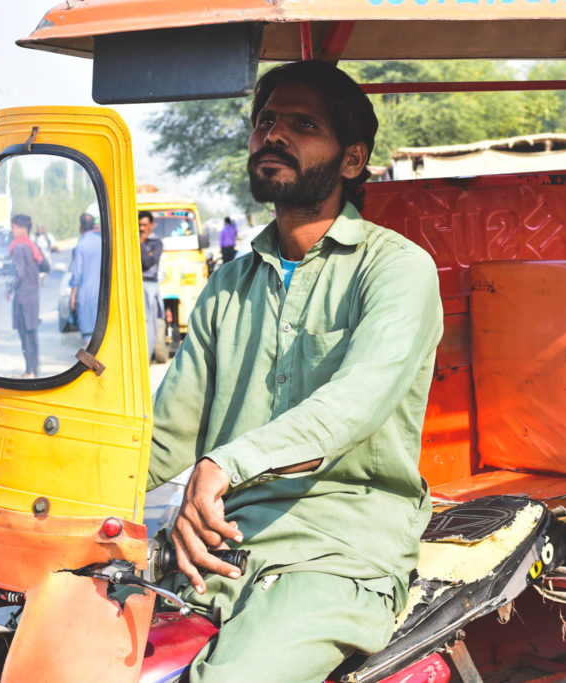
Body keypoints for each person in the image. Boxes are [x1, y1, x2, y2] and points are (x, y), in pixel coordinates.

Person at [147, 60, 443, 683]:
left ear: (353, 160)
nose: (272, 135)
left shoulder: (396, 269)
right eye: (265, 121)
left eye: (302, 124)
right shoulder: (228, 284)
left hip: (336, 547)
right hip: (217, 542)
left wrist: (224, 463)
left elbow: (355, 403)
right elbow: (166, 432)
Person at [7, 214, 48, 378]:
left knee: (25, 336)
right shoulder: (32, 245)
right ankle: (34, 369)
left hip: (22, 300)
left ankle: (29, 371)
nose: (12, 230)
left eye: (14, 226)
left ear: (22, 228)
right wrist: (34, 274)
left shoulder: (18, 246)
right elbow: (45, 265)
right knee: (32, 334)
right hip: (33, 297)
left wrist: (10, 289)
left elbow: (19, 273)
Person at [69, 210, 102, 344]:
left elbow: (77, 274)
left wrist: (73, 296)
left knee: (89, 339)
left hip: (86, 296)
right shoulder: (101, 241)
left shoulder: (81, 244)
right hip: (102, 295)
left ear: (81, 225)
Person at [138, 210, 164, 361]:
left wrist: (140, 243)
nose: (141, 228)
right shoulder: (133, 240)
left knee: (149, 325)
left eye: (145, 225)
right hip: (135, 286)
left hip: (149, 287)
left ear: (151, 226)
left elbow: (148, 263)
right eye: (139, 225)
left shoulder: (156, 243)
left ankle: (145, 359)